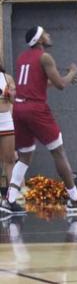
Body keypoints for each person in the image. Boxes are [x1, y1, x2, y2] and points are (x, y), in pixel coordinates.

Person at [2, 27, 77, 215]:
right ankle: (74, 198)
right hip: (36, 110)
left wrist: (64, 78)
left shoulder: (22, 58)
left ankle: (9, 199)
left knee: (25, 156)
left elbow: (36, 84)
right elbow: (60, 85)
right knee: (58, 152)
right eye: (45, 33)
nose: (49, 35)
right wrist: (71, 72)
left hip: (19, 109)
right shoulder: (45, 57)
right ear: (39, 39)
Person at [0, 64, 16, 203]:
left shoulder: (7, 77)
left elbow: (13, 100)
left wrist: (11, 94)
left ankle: (12, 199)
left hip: (5, 120)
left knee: (10, 160)